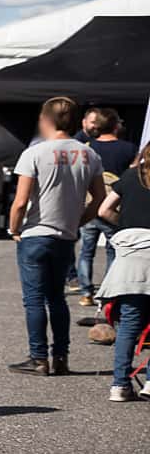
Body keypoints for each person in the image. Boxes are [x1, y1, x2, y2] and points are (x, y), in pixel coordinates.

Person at [7, 96, 108, 376]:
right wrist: (78, 221)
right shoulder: (89, 154)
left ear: (46, 119)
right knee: (57, 299)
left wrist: (14, 229)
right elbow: (99, 198)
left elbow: (20, 201)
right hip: (65, 235)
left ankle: (39, 357)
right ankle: (61, 357)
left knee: (34, 299)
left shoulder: (35, 153)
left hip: (36, 234)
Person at [94, 142, 150, 401]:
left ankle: (120, 385)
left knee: (128, 324)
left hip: (129, 260)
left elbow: (104, 209)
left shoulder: (129, 177)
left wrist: (125, 225)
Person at [75, 107, 137, 304]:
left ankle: (86, 292)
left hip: (90, 204)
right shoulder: (128, 149)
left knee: (86, 250)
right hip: (115, 207)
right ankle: (108, 293)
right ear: (115, 125)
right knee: (113, 251)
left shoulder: (86, 147)